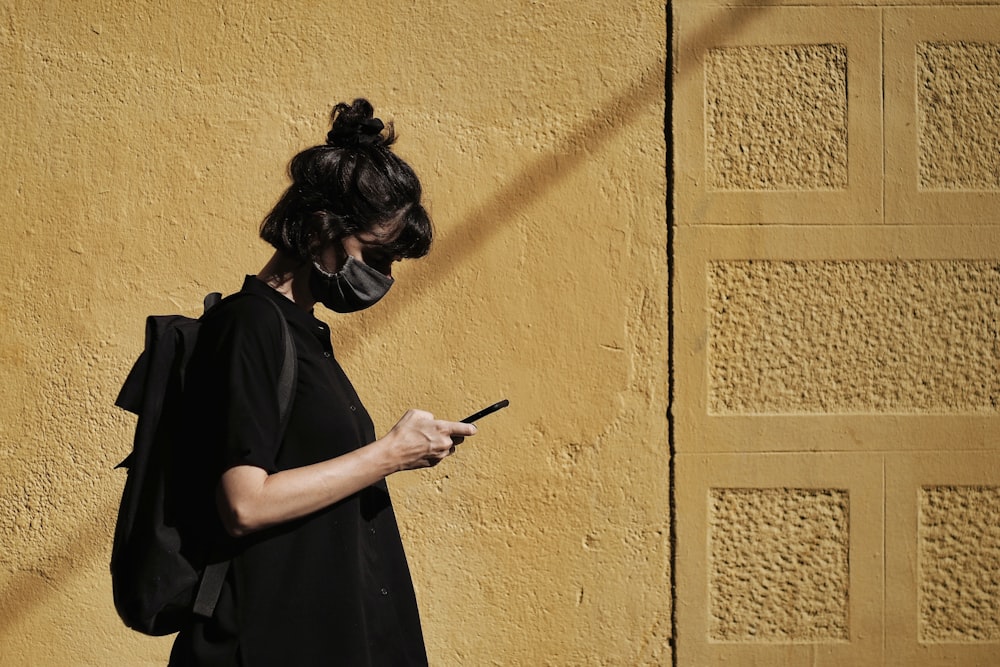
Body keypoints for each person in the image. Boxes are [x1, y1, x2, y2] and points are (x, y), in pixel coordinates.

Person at [168, 98, 476, 666]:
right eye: (375, 254)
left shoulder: (303, 334)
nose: (383, 277)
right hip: (270, 641)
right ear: (319, 230)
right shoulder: (249, 325)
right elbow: (245, 503)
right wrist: (389, 453)